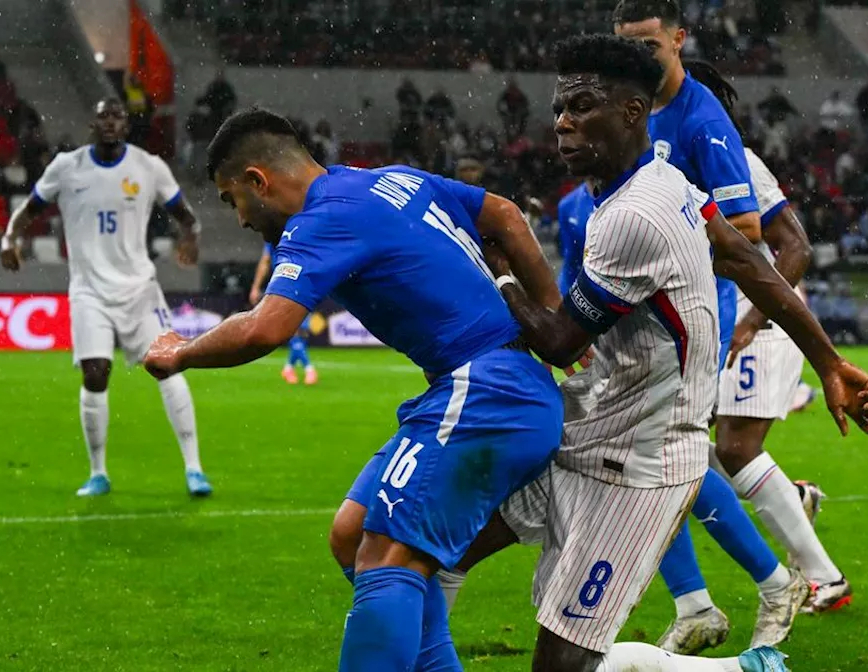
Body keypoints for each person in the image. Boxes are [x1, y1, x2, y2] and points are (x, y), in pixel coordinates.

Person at [450, 34, 868, 672]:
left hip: (636, 465)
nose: (562, 121)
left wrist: (502, 273)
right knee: (438, 554)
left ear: (631, 112)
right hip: (591, 428)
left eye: (582, 106)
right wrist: (827, 361)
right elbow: (740, 258)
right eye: (559, 106)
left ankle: (736, 662)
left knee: (562, 663)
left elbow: (561, 339)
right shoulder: (663, 179)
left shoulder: (634, 216)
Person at [143, 107, 565, 672]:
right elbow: (507, 215)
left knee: (387, 555)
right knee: (352, 535)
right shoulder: (390, 179)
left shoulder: (322, 219)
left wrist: (182, 352)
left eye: (231, 199)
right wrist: (558, 324)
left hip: (485, 391)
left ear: (257, 181)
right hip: (491, 386)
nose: (239, 218)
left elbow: (267, 328)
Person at [615, 0, 812, 652]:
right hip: (644, 309)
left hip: (692, 311)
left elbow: (750, 233)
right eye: (627, 47)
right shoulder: (638, 111)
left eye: (649, 46)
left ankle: (774, 579)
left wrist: (662, 231)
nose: (638, 60)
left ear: (678, 39)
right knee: (641, 459)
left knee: (667, 457)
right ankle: (699, 601)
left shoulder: (704, 121)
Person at [686, 59, 855, 616]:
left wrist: (754, 320)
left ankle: (823, 577)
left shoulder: (738, 161)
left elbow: (796, 248)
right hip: (712, 321)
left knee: (735, 449)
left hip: (757, 323)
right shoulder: (672, 163)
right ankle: (793, 499)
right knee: (681, 448)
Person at [0, 98, 210, 498]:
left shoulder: (148, 167)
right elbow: (28, 210)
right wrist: (10, 237)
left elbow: (186, 215)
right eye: (103, 117)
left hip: (139, 289)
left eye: (117, 117)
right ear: (91, 125)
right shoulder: (66, 167)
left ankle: (194, 468)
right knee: (95, 373)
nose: (110, 123)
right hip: (89, 291)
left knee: (168, 366)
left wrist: (192, 238)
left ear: (126, 126)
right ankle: (98, 472)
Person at [249, 243, 317, 385]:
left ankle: (288, 368)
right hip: (287, 286)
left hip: (305, 284)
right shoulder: (276, 236)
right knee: (296, 332)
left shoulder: (297, 232)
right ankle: (309, 369)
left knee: (302, 333)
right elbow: (265, 261)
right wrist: (256, 287)